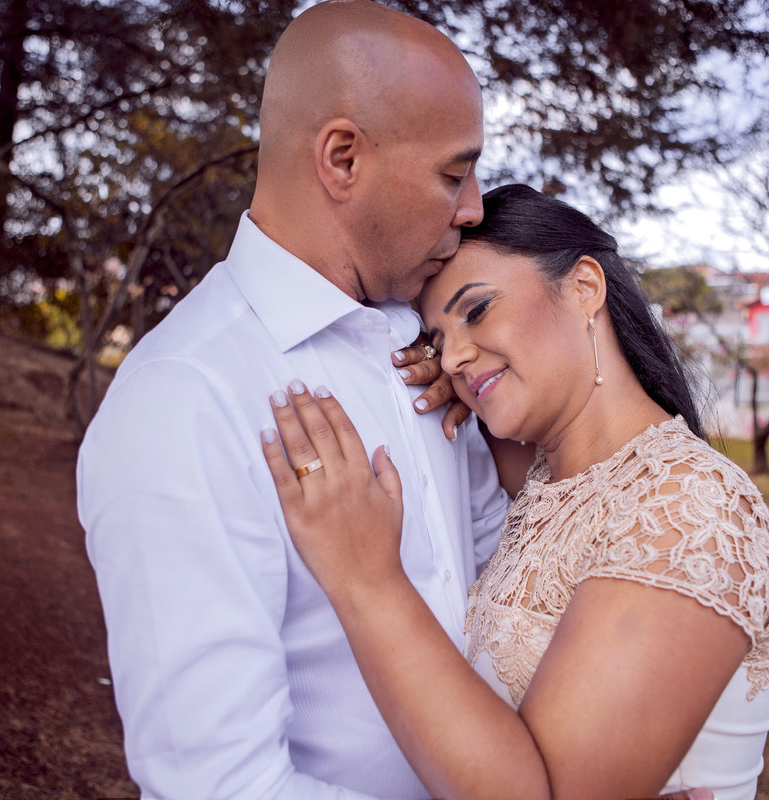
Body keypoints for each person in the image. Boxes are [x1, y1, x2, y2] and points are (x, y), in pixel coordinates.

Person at [76, 2, 512, 798]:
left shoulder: (429, 354)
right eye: (453, 174)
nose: (473, 207)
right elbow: (220, 785)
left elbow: (510, 589)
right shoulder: (184, 401)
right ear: (342, 159)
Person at [260, 184, 769, 800]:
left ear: (584, 287)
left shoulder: (688, 507)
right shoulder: (551, 477)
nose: (452, 358)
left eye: (477, 310)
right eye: (436, 340)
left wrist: (367, 580)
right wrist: (461, 376)